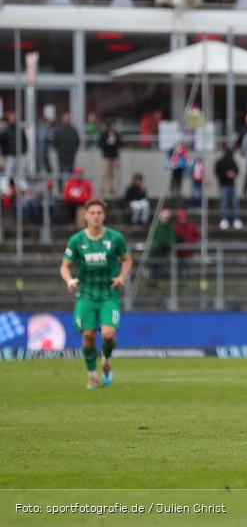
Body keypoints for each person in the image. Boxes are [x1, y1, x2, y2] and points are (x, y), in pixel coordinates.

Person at [60, 199, 132, 389]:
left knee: (108, 334)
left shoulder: (115, 238)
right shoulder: (77, 240)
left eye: (99, 213)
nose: (96, 216)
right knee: (88, 336)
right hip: (86, 294)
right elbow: (65, 266)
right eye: (92, 213)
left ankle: (106, 361)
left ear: (104, 215)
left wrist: (122, 277)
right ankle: (92, 376)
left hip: (109, 294)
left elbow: (127, 259)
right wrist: (69, 280)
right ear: (86, 216)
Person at [214, 148, 242, 230]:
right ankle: (223, 219)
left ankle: (236, 219)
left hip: (232, 186)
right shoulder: (219, 162)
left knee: (235, 203)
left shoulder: (233, 162)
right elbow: (217, 172)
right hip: (223, 186)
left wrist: (234, 174)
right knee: (224, 203)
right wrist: (226, 174)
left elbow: (237, 171)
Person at [53, 112, 81, 177]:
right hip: (61, 155)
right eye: (65, 118)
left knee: (71, 173)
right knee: (60, 172)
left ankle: (70, 186)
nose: (66, 120)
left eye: (68, 118)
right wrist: (59, 149)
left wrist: (73, 150)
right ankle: (60, 187)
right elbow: (55, 142)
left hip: (70, 155)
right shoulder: (59, 130)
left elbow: (77, 141)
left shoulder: (73, 130)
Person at [100, 123, 121, 197]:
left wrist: (116, 139)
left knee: (112, 174)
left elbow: (120, 143)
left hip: (113, 156)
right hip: (106, 156)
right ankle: (103, 188)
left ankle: (111, 188)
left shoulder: (115, 134)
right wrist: (107, 142)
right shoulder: (104, 135)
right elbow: (101, 144)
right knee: (105, 173)